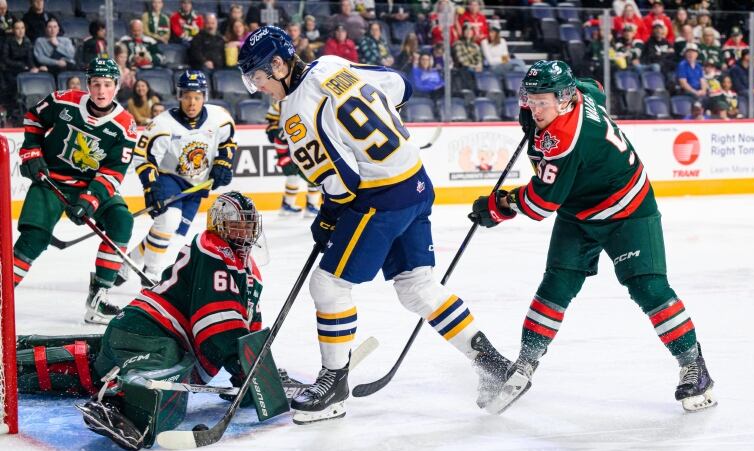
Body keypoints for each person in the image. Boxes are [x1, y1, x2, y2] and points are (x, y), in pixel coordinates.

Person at [238, 26, 514, 424]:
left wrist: (329, 218)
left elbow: (344, 186)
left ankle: (333, 387)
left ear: (279, 65)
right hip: (416, 182)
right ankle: (494, 366)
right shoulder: (332, 65)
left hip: (381, 199)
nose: (259, 86)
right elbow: (401, 86)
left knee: (328, 285)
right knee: (417, 287)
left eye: (259, 76)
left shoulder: (295, 116)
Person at [469, 60, 716, 414]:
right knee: (555, 285)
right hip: (580, 209)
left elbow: (540, 204)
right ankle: (525, 362)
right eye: (531, 99)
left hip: (627, 210)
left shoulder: (566, 137)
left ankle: (694, 366)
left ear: (565, 99)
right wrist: (539, 106)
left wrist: (499, 205)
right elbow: (595, 86)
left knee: (648, 287)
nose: (535, 109)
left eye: (543, 102)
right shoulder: (577, 93)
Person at [17, 192, 268, 451]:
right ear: (218, 224)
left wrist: (254, 372)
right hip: (147, 330)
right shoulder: (213, 247)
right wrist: (240, 363)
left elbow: (247, 327)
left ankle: (17, 364)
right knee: (169, 369)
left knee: (94, 369)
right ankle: (119, 403)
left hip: (142, 336)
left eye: (249, 225)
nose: (245, 232)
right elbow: (216, 322)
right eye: (238, 224)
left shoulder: (249, 271)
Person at [13, 58, 137, 324]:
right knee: (33, 239)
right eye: (95, 84)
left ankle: (99, 298)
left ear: (116, 87)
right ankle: (3, 296)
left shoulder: (125, 126)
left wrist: (90, 201)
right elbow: (33, 118)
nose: (101, 91)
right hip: (51, 181)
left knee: (121, 221)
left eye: (107, 85)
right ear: (88, 85)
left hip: (90, 187)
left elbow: (113, 172)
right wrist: (32, 152)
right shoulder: (63, 100)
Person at [120, 70, 236, 286]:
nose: (192, 102)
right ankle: (151, 273)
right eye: (187, 96)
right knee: (167, 221)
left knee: (170, 232)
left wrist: (223, 163)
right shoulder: (162, 125)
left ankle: (128, 263)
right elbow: (144, 157)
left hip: (197, 183)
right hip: (169, 178)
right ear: (179, 96)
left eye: (197, 97)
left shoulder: (219, 118)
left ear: (204, 97)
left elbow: (227, 142)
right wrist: (150, 187)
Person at [265, 100, 320, 217]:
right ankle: (301, 205)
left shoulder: (306, 97)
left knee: (312, 173)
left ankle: (295, 205)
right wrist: (274, 132)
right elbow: (271, 122)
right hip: (289, 143)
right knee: (295, 175)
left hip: (304, 142)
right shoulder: (282, 101)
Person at [1, 20, 39, 105]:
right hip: (10, 68)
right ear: (13, 30)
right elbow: (5, 59)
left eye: (22, 28)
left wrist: (33, 67)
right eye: (17, 28)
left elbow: (30, 58)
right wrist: (21, 65)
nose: (21, 31)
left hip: (24, 68)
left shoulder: (27, 41)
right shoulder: (8, 41)